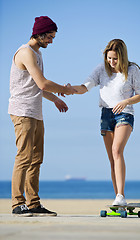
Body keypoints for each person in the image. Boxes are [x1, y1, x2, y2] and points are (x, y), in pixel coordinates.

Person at [8, 16, 76, 216]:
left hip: (35, 112)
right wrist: (65, 90)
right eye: (49, 36)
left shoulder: (37, 53)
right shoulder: (25, 52)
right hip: (22, 112)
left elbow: (36, 87)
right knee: (24, 156)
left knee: (36, 158)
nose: (51, 41)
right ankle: (17, 203)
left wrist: (55, 99)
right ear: (39, 33)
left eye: (53, 37)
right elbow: (43, 83)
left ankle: (33, 204)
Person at [65, 39, 140, 206]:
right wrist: (70, 89)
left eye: (115, 59)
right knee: (111, 158)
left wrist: (125, 102)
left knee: (117, 151)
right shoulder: (101, 69)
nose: (112, 62)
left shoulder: (132, 70)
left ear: (122, 56)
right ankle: (118, 198)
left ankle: (121, 195)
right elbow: (85, 86)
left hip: (124, 113)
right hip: (106, 115)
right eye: (109, 58)